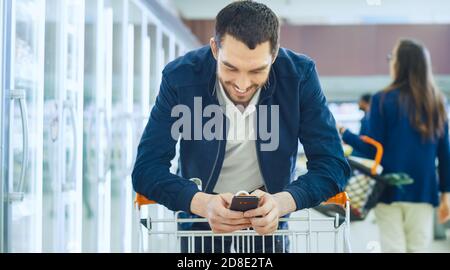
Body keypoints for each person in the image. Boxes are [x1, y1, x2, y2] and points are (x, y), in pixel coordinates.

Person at [132, 1, 350, 253]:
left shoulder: (299, 76)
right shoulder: (181, 78)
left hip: (269, 218)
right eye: (230, 67)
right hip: (201, 220)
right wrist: (200, 203)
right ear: (215, 49)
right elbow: (146, 169)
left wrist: (282, 203)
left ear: (274, 55)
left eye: (257, 70)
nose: (243, 84)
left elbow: (332, 166)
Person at [339, 39, 450, 252]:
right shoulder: (436, 102)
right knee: (418, 248)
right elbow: (445, 153)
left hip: (388, 188)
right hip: (424, 190)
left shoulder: (383, 99)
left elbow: (371, 149)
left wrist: (345, 133)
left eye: (392, 58)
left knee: (393, 248)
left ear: (400, 64)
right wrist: (447, 194)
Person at [338, 93, 372, 158]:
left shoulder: (369, 119)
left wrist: (345, 132)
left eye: (360, 101)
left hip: (365, 154)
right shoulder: (366, 118)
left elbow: (364, 143)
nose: (358, 103)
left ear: (364, 102)